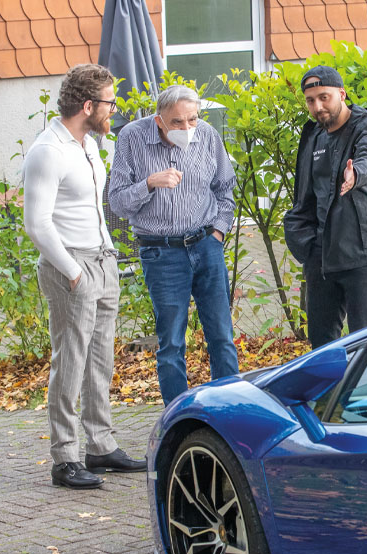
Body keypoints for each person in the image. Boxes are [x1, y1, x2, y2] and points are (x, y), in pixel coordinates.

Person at [23, 64, 146, 489]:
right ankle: (64, 457)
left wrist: (106, 257)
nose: (115, 109)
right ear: (88, 104)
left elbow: (94, 208)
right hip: (69, 266)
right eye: (110, 102)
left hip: (102, 259)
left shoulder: (90, 144)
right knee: (70, 362)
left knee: (100, 362)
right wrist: (75, 273)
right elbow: (37, 224)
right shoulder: (48, 151)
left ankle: (100, 447)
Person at [109, 86, 238, 405]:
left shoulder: (207, 135)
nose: (186, 128)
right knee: (171, 344)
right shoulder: (132, 138)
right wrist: (149, 184)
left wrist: (218, 233)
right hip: (161, 251)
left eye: (191, 119)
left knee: (221, 337)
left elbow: (225, 190)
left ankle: (230, 412)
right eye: (177, 122)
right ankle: (178, 422)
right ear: (159, 121)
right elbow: (117, 203)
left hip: (206, 245)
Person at [284, 66, 367, 348]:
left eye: (324, 97)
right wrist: (305, 244)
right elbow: (305, 195)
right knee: (322, 345)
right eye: (311, 100)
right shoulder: (314, 136)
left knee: (366, 340)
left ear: (342, 94)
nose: (318, 106)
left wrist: (355, 174)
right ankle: (327, 394)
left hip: (363, 253)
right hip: (321, 255)